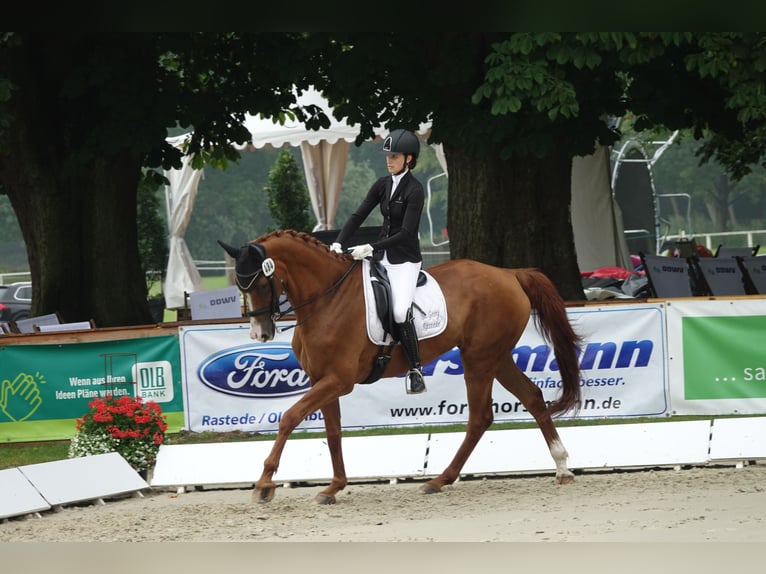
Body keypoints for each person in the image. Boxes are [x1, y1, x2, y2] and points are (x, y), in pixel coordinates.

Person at [330, 129, 427, 394]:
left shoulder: (415, 190)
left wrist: (371, 246)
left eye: (394, 156)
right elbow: (359, 214)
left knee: (398, 311)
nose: (389, 160)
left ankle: (415, 369)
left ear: (408, 159)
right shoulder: (383, 184)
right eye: (387, 155)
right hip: (381, 257)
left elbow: (406, 234)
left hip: (404, 260)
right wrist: (340, 240)